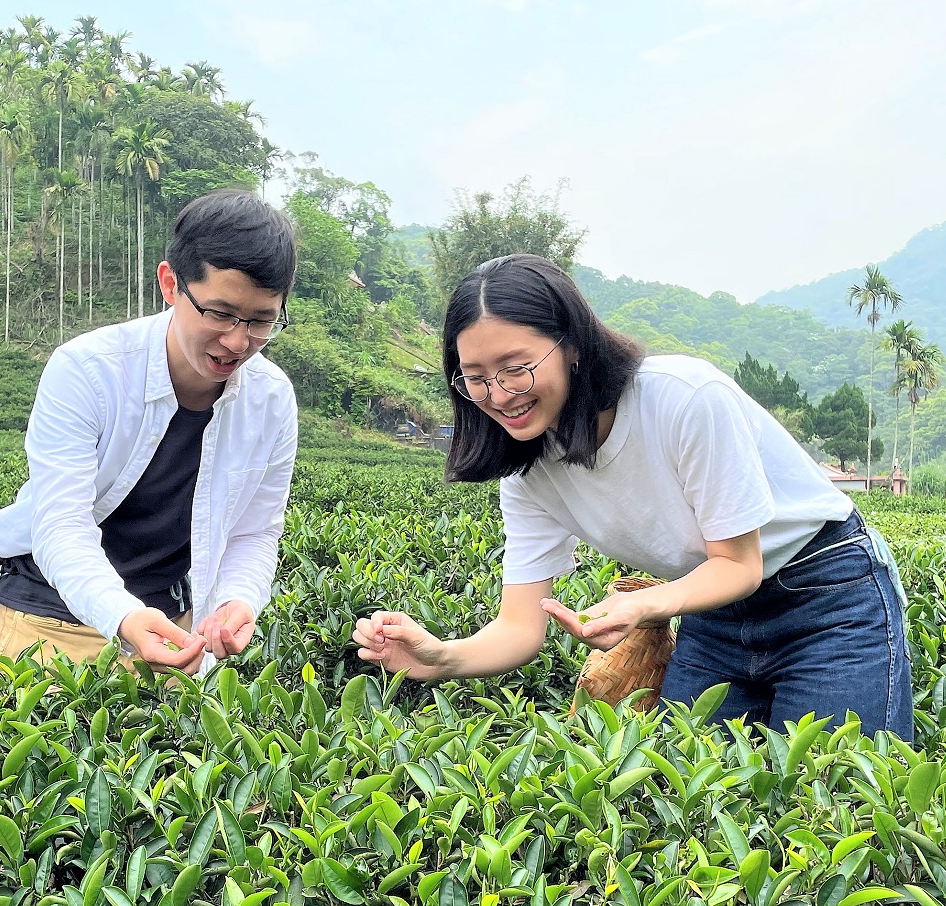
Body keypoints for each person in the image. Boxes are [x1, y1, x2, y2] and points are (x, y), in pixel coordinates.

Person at [352, 254, 911, 737]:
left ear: (572, 347)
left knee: (832, 795)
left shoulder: (684, 399)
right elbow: (519, 627)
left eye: (516, 369)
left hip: (827, 593)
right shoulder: (526, 471)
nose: (498, 395)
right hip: (709, 608)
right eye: (475, 377)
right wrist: (441, 657)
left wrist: (644, 605)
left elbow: (739, 564)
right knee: (692, 797)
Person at [0, 190, 300, 676]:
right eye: (220, 314)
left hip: (174, 628)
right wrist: (123, 616)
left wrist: (238, 599)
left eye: (262, 321)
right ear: (170, 284)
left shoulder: (271, 399)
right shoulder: (87, 370)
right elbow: (61, 524)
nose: (238, 341)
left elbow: (255, 531)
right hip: (51, 621)